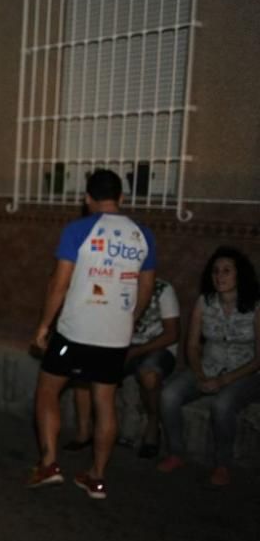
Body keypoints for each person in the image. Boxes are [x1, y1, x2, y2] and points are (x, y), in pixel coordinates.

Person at [30, 169, 156, 500]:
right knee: (105, 401)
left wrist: (44, 326)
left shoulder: (78, 230)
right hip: (115, 334)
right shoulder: (142, 234)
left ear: (87, 199)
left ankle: (49, 464)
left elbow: (60, 283)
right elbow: (147, 286)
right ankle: (97, 477)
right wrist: (131, 317)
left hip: (75, 331)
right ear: (122, 198)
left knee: (47, 392)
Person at [157, 247, 260, 487]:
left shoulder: (255, 306)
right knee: (169, 394)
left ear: (239, 275)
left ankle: (222, 464)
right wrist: (201, 375)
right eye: (215, 271)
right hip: (209, 367)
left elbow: (259, 357)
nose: (219, 276)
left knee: (222, 404)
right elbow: (192, 346)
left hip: (246, 372)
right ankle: (176, 453)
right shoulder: (205, 302)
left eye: (226, 271)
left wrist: (224, 381)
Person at [66, 278, 180, 458]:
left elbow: (172, 334)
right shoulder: (115, 284)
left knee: (148, 374)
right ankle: (83, 432)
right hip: (121, 344)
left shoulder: (162, 289)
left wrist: (135, 351)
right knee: (84, 371)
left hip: (157, 347)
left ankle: (152, 425)